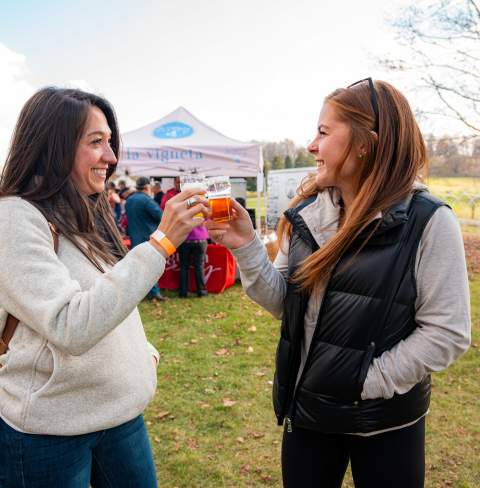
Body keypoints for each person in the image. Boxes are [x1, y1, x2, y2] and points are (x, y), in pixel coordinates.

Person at [207, 79, 471, 488]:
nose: (312, 145)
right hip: (308, 416)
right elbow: (285, 304)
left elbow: (447, 333)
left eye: (324, 132)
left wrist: (364, 381)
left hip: (385, 423)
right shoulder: (306, 213)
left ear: (366, 143)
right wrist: (245, 247)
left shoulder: (429, 221)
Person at [0, 87, 208, 488]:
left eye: (110, 143)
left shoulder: (87, 211)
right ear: (54, 147)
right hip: (50, 433)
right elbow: (69, 324)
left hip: (121, 417)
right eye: (96, 142)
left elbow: (111, 294)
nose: (111, 158)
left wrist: (142, 352)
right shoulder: (14, 217)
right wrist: (161, 243)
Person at [161, 176, 209, 298]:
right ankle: (201, 291)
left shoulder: (177, 200)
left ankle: (184, 292)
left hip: (186, 238)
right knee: (197, 266)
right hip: (198, 237)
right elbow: (207, 215)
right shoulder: (200, 199)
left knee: (185, 266)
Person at [125, 176, 167, 301]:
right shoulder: (147, 200)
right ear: (147, 187)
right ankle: (153, 293)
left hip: (134, 237)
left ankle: (141, 293)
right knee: (151, 267)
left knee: (139, 267)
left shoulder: (129, 200)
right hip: (148, 237)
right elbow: (161, 216)